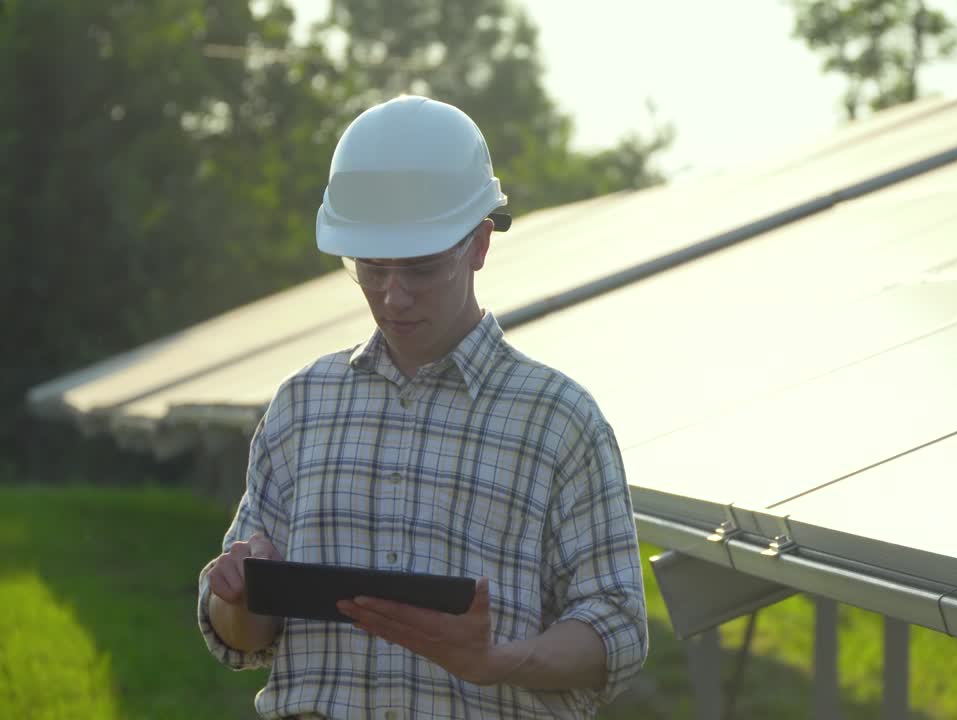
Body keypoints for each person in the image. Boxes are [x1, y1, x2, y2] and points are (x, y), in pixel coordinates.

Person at [196, 95, 648, 719]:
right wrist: (238, 593)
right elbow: (243, 637)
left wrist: (498, 662)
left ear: (480, 244)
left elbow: (617, 628)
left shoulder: (559, 421)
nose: (394, 295)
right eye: (372, 269)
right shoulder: (303, 406)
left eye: (421, 268)